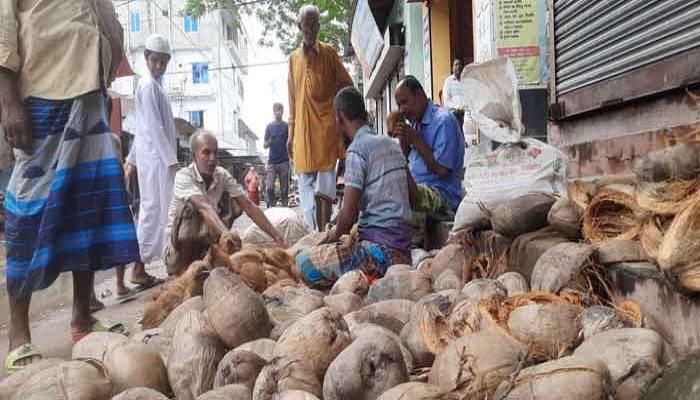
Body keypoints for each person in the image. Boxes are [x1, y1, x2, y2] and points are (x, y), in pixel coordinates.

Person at [1, 0, 138, 372]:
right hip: (43, 88)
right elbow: (4, 23)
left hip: (90, 90)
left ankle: (82, 317)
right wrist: (9, 101)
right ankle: (19, 335)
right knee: (27, 208)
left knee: (87, 207)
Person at [295, 87, 415, 287]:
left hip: (381, 256)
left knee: (303, 262)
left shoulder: (357, 150)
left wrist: (329, 239)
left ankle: (367, 278)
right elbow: (414, 197)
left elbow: (348, 215)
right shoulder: (392, 144)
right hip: (404, 252)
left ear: (339, 118)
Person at [164, 131, 286, 275]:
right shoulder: (183, 176)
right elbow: (205, 207)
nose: (212, 158)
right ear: (194, 156)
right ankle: (183, 272)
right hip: (178, 254)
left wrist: (278, 238)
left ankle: (213, 257)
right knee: (192, 208)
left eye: (215, 153)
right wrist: (227, 236)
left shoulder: (221, 174)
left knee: (234, 201)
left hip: (206, 247)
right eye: (206, 153)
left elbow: (249, 206)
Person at [288, 4, 354, 231]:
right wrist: (290, 133)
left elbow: (347, 85)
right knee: (305, 187)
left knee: (324, 186)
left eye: (314, 24)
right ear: (300, 26)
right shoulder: (293, 59)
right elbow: (292, 98)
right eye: (306, 25)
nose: (310, 29)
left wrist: (338, 115)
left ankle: (324, 230)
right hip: (302, 133)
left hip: (326, 131)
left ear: (318, 26)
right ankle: (314, 230)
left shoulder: (328, 53)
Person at [124, 34, 177, 285]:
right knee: (152, 210)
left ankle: (148, 264)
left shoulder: (156, 87)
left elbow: (141, 129)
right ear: (146, 58)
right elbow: (154, 129)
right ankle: (138, 268)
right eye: (155, 61)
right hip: (156, 160)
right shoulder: (147, 86)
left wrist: (131, 159)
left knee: (158, 210)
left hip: (154, 159)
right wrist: (171, 160)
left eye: (163, 62)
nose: (159, 66)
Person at [394, 75, 465, 216]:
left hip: (442, 195)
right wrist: (403, 137)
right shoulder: (415, 122)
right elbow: (407, 157)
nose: (401, 110)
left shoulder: (443, 121)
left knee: (403, 200)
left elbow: (442, 170)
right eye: (399, 105)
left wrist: (416, 139)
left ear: (419, 95)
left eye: (404, 102)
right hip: (419, 189)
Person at [264, 103, 290, 207]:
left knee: (284, 189)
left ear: (282, 111)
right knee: (269, 187)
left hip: (284, 161)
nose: (277, 112)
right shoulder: (269, 127)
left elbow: (291, 142)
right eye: (275, 110)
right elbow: (265, 145)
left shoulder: (286, 126)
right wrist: (271, 140)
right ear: (273, 111)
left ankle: (284, 209)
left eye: (279, 110)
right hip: (272, 162)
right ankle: (273, 208)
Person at [442, 58, 466, 128]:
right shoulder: (448, 81)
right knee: (456, 117)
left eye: (460, 64)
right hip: (454, 111)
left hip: (466, 111)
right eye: (456, 64)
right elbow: (446, 101)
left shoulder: (466, 81)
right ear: (452, 68)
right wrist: (458, 108)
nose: (458, 66)